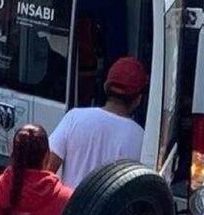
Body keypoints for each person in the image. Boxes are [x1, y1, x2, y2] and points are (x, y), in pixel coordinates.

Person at [48, 57, 149, 188]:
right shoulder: (141, 138)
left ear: (105, 87)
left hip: (70, 207)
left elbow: (47, 170)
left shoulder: (74, 118)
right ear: (138, 99)